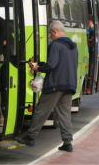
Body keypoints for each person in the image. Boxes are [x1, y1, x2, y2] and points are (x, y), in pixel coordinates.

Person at [16, 21, 78, 152]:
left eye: (50, 34)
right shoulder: (73, 46)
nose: (50, 37)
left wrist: (38, 67)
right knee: (64, 114)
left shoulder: (56, 45)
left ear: (55, 31)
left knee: (41, 110)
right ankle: (67, 142)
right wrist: (43, 64)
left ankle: (30, 137)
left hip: (55, 84)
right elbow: (62, 63)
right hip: (69, 84)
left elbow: (52, 65)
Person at [86, 15, 95, 94]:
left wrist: (86, 44)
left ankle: (89, 87)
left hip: (92, 52)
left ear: (91, 21)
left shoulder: (93, 30)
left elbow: (93, 43)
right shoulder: (88, 29)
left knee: (90, 69)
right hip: (87, 51)